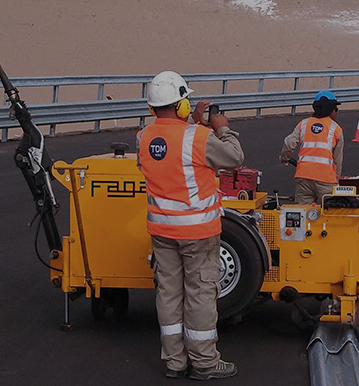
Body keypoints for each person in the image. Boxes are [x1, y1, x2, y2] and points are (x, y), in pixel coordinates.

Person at [136, 70, 244, 381]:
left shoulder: (144, 137)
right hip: (197, 232)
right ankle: (205, 363)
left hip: (161, 231)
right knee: (199, 294)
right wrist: (222, 128)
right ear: (182, 105)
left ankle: (175, 362)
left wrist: (196, 125)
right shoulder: (199, 137)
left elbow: (164, 158)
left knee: (168, 294)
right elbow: (235, 157)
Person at [281, 90, 345, 205]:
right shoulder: (336, 129)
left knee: (303, 216)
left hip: (303, 177)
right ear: (329, 109)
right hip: (326, 180)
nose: (337, 112)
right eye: (336, 109)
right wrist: (336, 181)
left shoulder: (303, 124)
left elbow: (289, 142)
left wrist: (285, 157)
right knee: (330, 215)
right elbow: (337, 161)